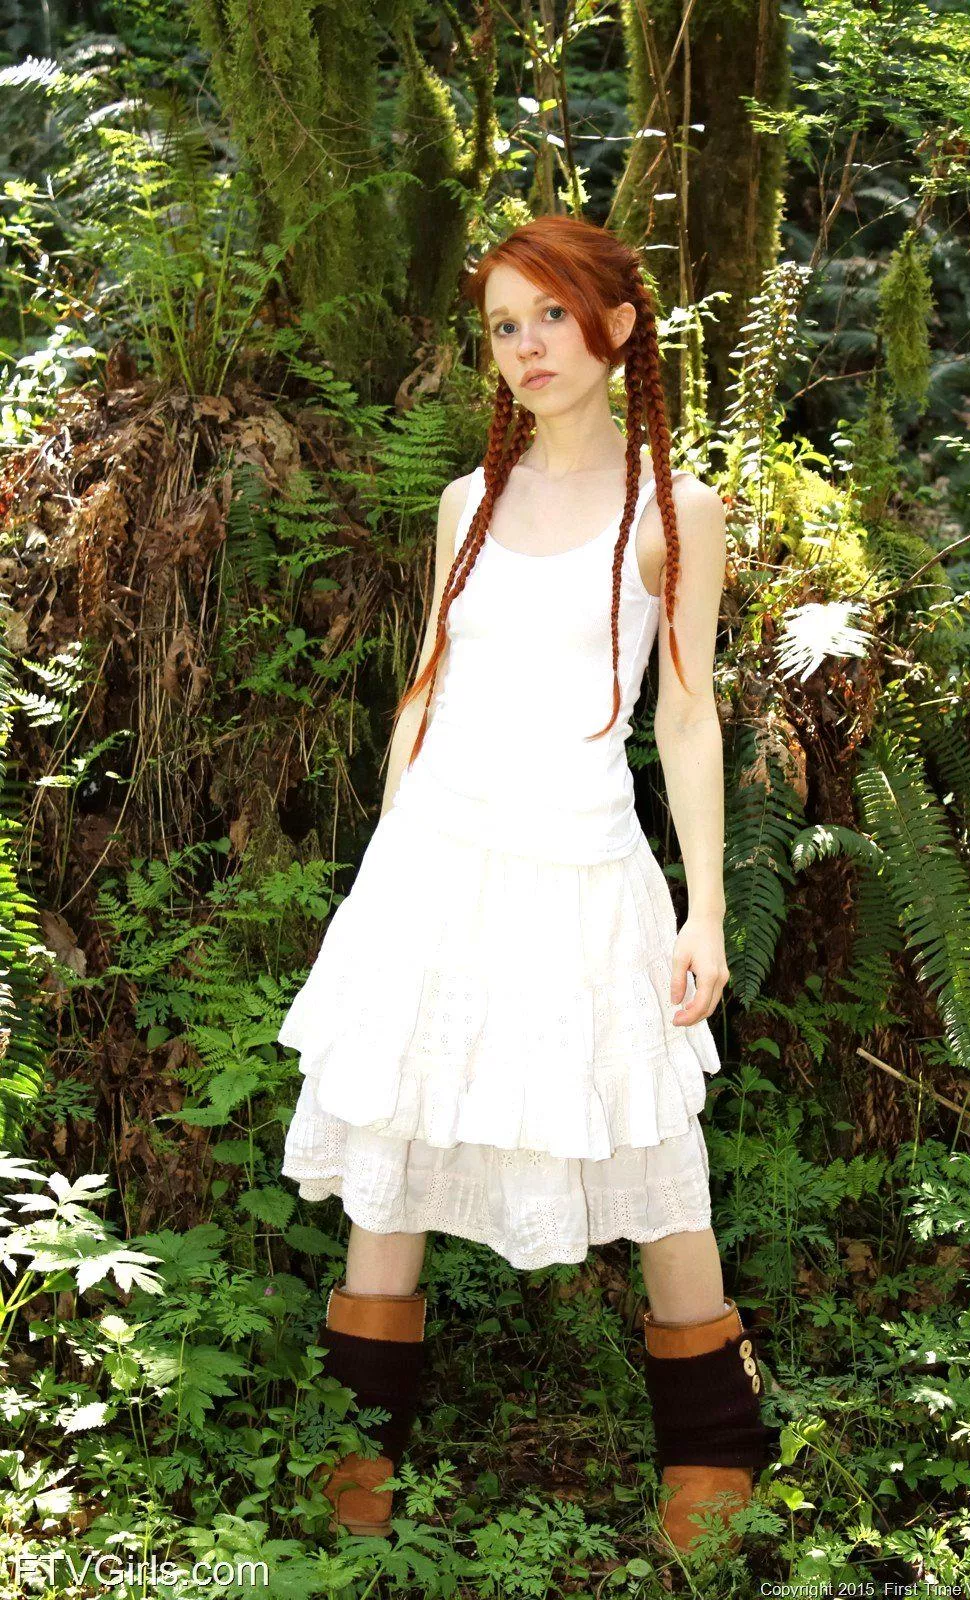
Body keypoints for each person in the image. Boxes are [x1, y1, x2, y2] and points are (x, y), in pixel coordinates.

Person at [277, 213, 778, 1557]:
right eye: (504, 325)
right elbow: (428, 687)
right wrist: (388, 859)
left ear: (616, 325)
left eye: (550, 314)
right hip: (438, 859)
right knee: (393, 1135)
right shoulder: (467, 503)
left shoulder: (676, 511)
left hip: (581, 864)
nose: (527, 347)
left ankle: (712, 1444)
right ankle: (363, 1438)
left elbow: (683, 717)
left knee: (648, 1147)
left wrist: (706, 912)